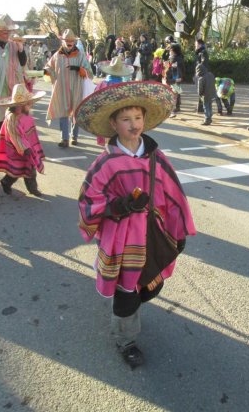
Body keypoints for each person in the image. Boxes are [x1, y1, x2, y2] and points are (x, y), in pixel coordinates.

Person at [76, 81, 196, 368]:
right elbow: (87, 202)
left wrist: (178, 233)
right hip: (121, 242)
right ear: (113, 124)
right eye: (126, 119)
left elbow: (174, 197)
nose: (134, 125)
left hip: (153, 237)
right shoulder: (106, 163)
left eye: (138, 118)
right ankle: (126, 339)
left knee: (148, 287)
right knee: (126, 293)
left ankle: (129, 318)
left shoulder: (157, 157)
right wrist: (118, 206)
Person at [44, 29, 93, 147]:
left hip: (77, 88)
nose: (69, 42)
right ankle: (64, 138)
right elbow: (48, 67)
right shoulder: (57, 55)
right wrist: (46, 71)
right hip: (61, 88)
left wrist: (79, 69)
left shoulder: (80, 55)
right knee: (63, 112)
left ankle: (74, 137)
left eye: (71, 40)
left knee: (76, 112)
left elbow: (90, 73)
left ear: (74, 42)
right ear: (63, 41)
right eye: (67, 40)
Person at [0, 83, 45, 196]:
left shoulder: (26, 114)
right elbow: (15, 136)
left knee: (25, 168)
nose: (30, 105)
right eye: (27, 103)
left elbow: (30, 131)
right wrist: (25, 148)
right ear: (19, 105)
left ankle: (31, 188)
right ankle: (8, 182)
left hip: (27, 147)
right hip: (17, 148)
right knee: (20, 168)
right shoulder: (12, 118)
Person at [0, 14, 27, 130]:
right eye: (5, 32)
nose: (8, 34)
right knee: (0, 123)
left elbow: (23, 63)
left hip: (13, 92)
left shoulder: (13, 45)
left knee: (13, 124)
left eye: (9, 32)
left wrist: (21, 49)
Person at [163, 43, 185, 118]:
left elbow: (172, 70)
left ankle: (172, 111)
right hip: (177, 79)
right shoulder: (180, 57)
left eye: (170, 49)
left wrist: (166, 66)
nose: (169, 51)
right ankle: (174, 109)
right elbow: (182, 69)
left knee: (171, 95)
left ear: (172, 50)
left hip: (173, 80)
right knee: (175, 95)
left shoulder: (173, 59)